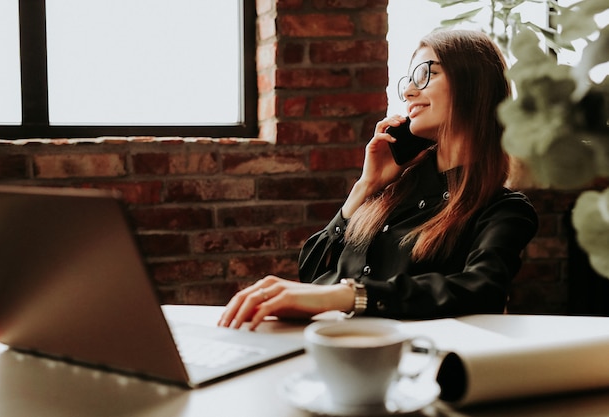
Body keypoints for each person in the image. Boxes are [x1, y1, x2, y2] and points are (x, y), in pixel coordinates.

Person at [218, 29, 538, 330]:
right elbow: (312, 271)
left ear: (473, 85)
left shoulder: (503, 210)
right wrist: (366, 186)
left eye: (427, 74)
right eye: (410, 80)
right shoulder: (392, 190)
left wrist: (349, 295)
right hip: (323, 344)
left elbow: (482, 290)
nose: (410, 91)